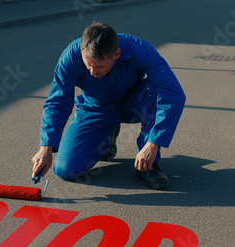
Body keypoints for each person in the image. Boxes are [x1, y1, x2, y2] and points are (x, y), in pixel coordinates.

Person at [31, 22, 185, 190]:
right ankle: (105, 137)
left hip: (130, 105)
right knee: (65, 170)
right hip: (95, 110)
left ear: (116, 54)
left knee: (157, 88)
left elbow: (173, 93)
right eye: (87, 65)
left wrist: (153, 142)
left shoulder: (139, 49)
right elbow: (57, 103)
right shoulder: (70, 57)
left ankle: (148, 164)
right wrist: (46, 146)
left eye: (98, 66)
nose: (92, 72)